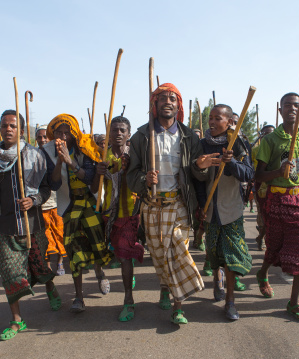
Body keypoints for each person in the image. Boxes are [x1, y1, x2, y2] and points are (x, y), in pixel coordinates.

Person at [127, 83, 208, 324]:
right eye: (163, 98)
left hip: (178, 204)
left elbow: (197, 173)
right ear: (155, 104)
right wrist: (144, 179)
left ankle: (178, 306)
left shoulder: (188, 136)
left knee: (178, 251)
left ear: (178, 105)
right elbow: (131, 175)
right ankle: (165, 287)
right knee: (159, 254)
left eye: (173, 98)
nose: (168, 102)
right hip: (151, 205)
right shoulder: (141, 136)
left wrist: (200, 167)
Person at [0, 110, 59, 341]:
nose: (8, 129)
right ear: (0, 128)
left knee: (39, 266)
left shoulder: (34, 155)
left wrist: (33, 200)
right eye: (4, 125)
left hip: (32, 224)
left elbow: (47, 188)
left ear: (21, 130)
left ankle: (50, 286)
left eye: (13, 125)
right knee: (9, 273)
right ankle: (16, 320)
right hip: (6, 225)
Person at [255, 93, 299, 323]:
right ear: (280, 110)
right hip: (275, 200)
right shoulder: (271, 140)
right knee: (274, 246)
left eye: (297, 105)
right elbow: (258, 175)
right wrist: (278, 172)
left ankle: (294, 303)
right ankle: (262, 273)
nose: (292, 108)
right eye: (287, 105)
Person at [43, 114, 112, 313]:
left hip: (89, 202)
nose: (63, 137)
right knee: (73, 251)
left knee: (97, 244)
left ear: (74, 134)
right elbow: (54, 183)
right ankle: (79, 297)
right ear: (53, 134)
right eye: (58, 132)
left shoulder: (86, 148)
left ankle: (100, 274)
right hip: (70, 207)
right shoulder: (48, 152)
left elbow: (90, 179)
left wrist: (71, 162)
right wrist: (59, 161)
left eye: (67, 133)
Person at [195, 104, 254, 320]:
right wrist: (201, 205)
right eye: (210, 117)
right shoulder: (201, 144)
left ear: (229, 122)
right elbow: (197, 178)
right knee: (214, 253)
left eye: (217, 118)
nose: (212, 122)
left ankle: (230, 301)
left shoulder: (238, 144)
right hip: (210, 210)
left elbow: (248, 173)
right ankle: (216, 280)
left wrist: (231, 164)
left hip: (232, 210)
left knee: (231, 256)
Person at [96, 115, 144, 322]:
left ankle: (128, 299)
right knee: (117, 252)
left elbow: (142, 180)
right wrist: (98, 173)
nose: (118, 133)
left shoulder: (135, 155)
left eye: (122, 130)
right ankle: (126, 275)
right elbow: (94, 188)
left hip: (131, 213)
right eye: (114, 130)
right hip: (109, 214)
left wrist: (130, 167)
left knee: (125, 256)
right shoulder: (102, 157)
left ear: (128, 134)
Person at [36, 125, 66, 276]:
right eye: (39, 137)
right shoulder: (34, 156)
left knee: (60, 234)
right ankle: (47, 266)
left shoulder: (57, 153)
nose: (42, 139)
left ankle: (60, 262)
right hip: (42, 205)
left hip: (57, 202)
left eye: (44, 137)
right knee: (46, 238)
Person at [251, 125, 275, 250]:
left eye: (271, 133)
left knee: (271, 215)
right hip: (260, 186)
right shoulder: (255, 150)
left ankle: (262, 237)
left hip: (275, 185)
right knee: (262, 213)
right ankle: (262, 237)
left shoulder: (278, 149)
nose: (268, 136)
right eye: (265, 134)